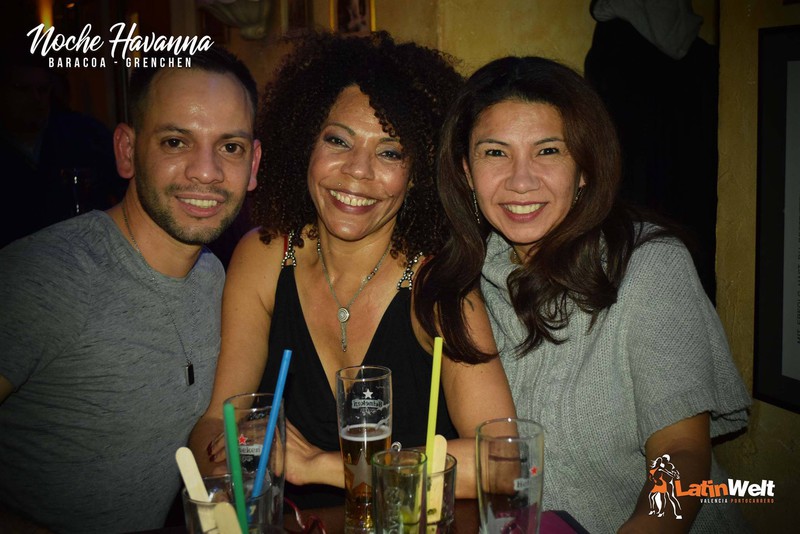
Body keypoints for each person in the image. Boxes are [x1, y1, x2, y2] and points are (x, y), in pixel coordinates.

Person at [414, 56, 751, 533]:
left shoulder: (648, 265)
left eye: (548, 151)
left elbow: (681, 452)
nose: (521, 180)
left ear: (586, 167)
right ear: (466, 171)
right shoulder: (463, 283)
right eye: (495, 153)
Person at [188, 31, 516, 508]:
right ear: (306, 145)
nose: (357, 170)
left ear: (418, 173)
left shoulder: (437, 284)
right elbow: (217, 423)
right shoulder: (263, 257)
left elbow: (502, 460)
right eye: (338, 141)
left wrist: (323, 466)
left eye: (389, 152)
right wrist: (229, 469)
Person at [0, 45, 261, 533]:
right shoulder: (46, 274)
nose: (206, 171)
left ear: (254, 164)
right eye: (176, 142)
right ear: (126, 151)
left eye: (230, 147)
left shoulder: (217, 279)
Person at [0, 40, 127, 249]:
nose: (35, 99)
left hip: (89, 252)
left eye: (42, 90)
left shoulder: (85, 136)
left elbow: (126, 191)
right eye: (22, 89)